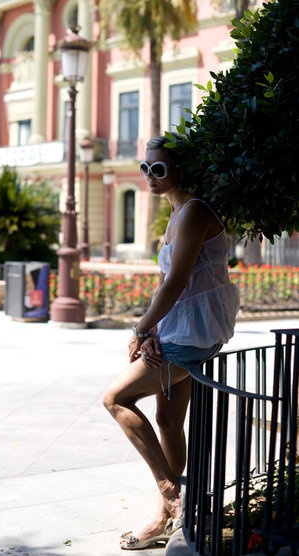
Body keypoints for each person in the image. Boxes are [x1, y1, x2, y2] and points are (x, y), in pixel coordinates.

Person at [102, 134, 240, 551]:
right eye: (146, 168)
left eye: (158, 168)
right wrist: (152, 330)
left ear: (180, 170)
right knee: (166, 420)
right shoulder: (177, 211)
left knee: (115, 399)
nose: (150, 176)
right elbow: (165, 281)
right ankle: (167, 520)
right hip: (178, 328)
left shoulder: (195, 210)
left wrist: (141, 329)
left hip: (193, 333)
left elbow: (179, 281)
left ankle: (171, 494)